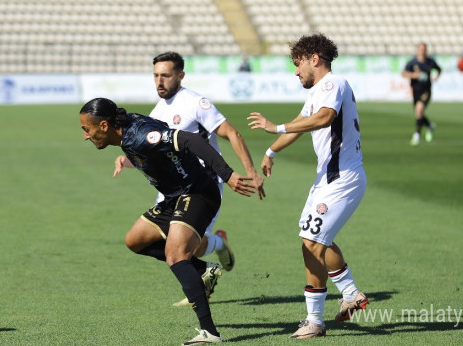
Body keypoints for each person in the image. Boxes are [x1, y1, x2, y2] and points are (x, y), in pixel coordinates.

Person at [80, 98, 256, 345]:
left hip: (197, 192)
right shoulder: (126, 129)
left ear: (105, 125)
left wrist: (227, 175)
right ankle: (203, 269)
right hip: (174, 197)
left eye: (86, 129)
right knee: (135, 241)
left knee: (176, 256)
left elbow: (190, 140)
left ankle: (210, 332)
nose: (86, 136)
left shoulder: (141, 135)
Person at [113, 52, 265, 305]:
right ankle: (203, 272)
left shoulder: (196, 103)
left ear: (180, 76)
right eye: (156, 76)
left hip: (202, 185)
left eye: (166, 75)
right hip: (171, 187)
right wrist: (127, 160)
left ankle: (216, 246)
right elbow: (154, 150)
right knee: (164, 241)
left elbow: (232, 133)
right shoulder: (158, 111)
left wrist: (251, 172)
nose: (159, 81)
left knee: (186, 245)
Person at [247, 33, 368, 339]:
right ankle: (350, 294)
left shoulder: (332, 84)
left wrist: (276, 126)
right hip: (328, 178)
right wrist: (271, 150)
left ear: (314, 58)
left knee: (313, 241)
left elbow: (324, 119)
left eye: (297, 63)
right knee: (313, 240)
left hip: (342, 178)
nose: (296, 71)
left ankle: (315, 321)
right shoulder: (318, 92)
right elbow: (302, 122)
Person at [400, 42, 441, 146]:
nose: (422, 51)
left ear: (426, 50)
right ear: (418, 50)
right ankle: (430, 126)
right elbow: (403, 73)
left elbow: (439, 69)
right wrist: (413, 75)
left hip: (426, 91)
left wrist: (436, 76)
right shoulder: (412, 63)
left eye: (424, 49)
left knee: (419, 110)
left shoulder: (430, 62)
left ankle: (417, 135)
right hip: (416, 91)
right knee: (419, 114)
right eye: (421, 49)